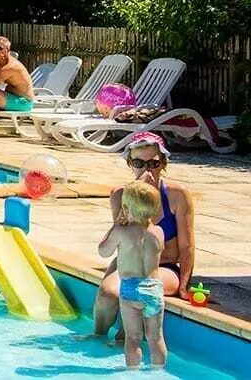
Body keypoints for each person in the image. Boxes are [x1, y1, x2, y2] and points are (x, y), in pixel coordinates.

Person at [93, 134, 196, 340]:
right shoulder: (119, 194)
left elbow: (187, 247)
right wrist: (131, 199)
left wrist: (184, 285)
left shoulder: (177, 195)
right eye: (139, 163)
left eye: (153, 163)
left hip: (164, 267)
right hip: (129, 262)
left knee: (138, 294)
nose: (147, 170)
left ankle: (124, 340)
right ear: (130, 164)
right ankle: (97, 339)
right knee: (107, 294)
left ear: (163, 163)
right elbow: (121, 237)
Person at [100, 181, 168, 369]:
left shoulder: (122, 231)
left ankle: (132, 372)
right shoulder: (158, 232)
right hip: (154, 289)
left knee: (133, 337)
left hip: (131, 289)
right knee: (156, 337)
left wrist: (115, 226)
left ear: (126, 209)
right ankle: (158, 372)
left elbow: (103, 251)